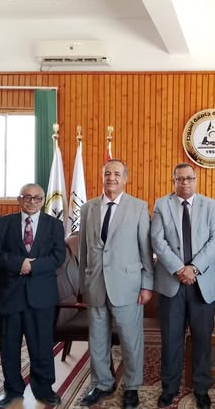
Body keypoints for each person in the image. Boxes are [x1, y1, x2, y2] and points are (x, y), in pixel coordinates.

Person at [79, 159, 154, 409]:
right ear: (102, 177)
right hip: (95, 285)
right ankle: (102, 383)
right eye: (107, 173)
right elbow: (83, 250)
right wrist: (82, 285)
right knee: (97, 339)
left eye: (117, 174)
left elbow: (146, 250)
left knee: (130, 340)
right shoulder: (88, 208)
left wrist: (147, 285)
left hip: (128, 286)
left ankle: (131, 386)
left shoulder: (138, 207)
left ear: (125, 178)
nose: (111, 177)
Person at [151, 163, 215, 409]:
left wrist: (195, 268)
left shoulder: (211, 205)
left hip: (202, 283)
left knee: (202, 340)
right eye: (180, 179)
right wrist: (180, 269)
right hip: (172, 283)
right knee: (171, 339)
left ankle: (201, 389)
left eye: (189, 178)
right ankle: (169, 388)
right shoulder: (162, 204)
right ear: (173, 181)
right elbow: (157, 241)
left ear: (196, 179)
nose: (185, 183)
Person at [0, 183, 65, 408]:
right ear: (19, 199)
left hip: (41, 295)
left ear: (43, 201)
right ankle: (12, 389)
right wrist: (19, 263)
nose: (32, 201)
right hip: (10, 294)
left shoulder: (54, 225)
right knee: (9, 346)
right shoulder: (2, 224)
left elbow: (58, 256)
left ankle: (44, 388)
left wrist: (33, 266)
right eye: (27, 197)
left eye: (37, 198)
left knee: (41, 345)